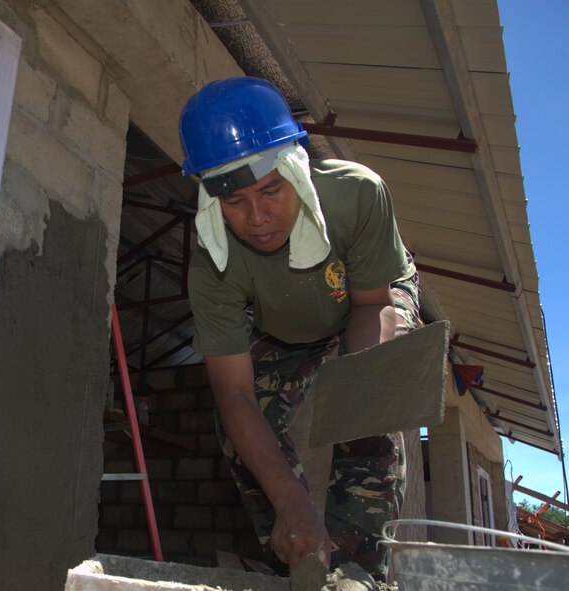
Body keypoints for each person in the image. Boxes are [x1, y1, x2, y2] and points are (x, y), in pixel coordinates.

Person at [179, 77, 421, 580]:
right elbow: (235, 394)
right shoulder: (210, 263)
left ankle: (358, 570)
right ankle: (300, 551)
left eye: (271, 190)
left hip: (366, 301)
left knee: (370, 404)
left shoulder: (356, 194)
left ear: (297, 167)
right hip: (290, 329)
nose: (257, 218)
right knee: (242, 429)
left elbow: (370, 305)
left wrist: (359, 383)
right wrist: (290, 500)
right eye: (234, 201)